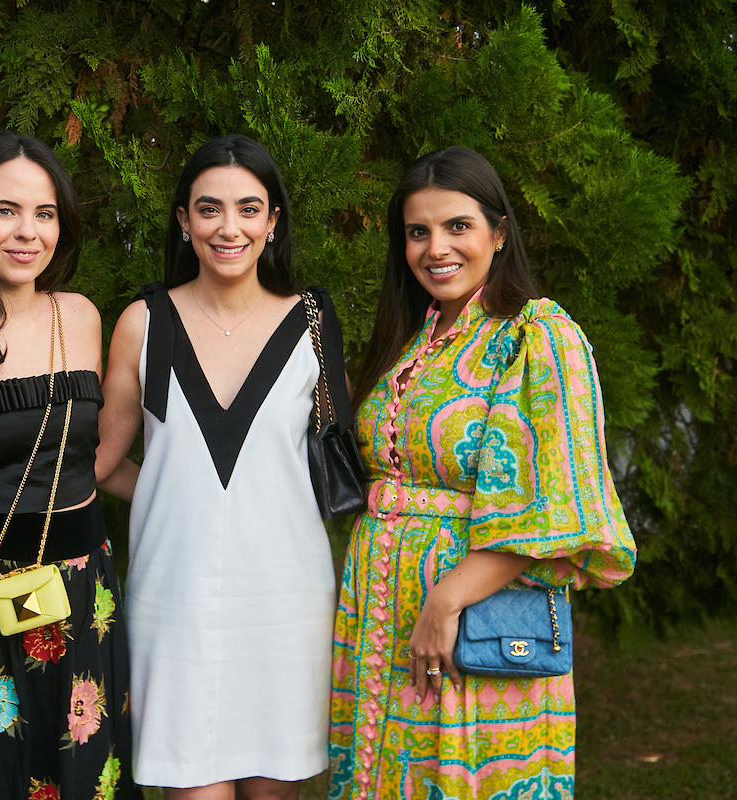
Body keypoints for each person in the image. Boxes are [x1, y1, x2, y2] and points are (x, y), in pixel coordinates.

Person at [327, 145, 637, 800]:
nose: (436, 247)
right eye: (418, 231)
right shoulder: (413, 337)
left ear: (499, 233)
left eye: (457, 226)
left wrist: (445, 600)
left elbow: (554, 503)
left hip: (475, 618)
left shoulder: (537, 335)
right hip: (380, 613)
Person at [97, 134, 337, 800]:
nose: (229, 227)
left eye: (249, 208)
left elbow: (342, 452)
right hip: (175, 598)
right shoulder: (144, 322)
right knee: (191, 784)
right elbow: (98, 462)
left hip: (287, 598)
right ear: (183, 221)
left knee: (273, 788)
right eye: (209, 209)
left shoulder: (312, 320)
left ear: (273, 220)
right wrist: (175, 494)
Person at [0, 131, 141, 800]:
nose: (27, 232)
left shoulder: (81, 316)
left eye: (44, 214)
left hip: (80, 589)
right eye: (5, 210)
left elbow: (92, 457)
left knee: (84, 769)